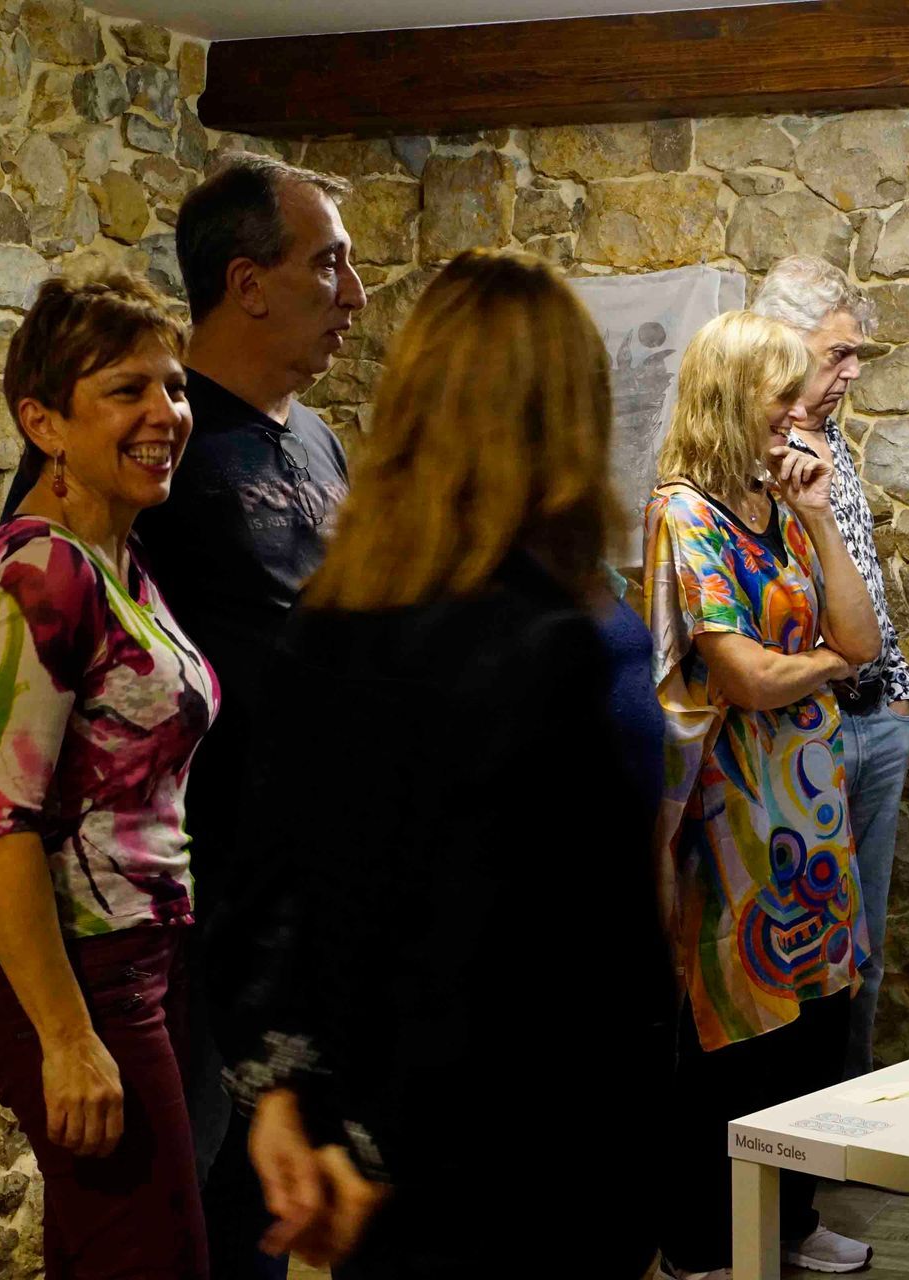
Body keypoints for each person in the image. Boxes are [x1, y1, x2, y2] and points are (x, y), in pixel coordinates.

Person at [0, 150, 363, 1280]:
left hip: (196, 920)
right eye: (330, 263)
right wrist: (58, 1017)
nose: (165, 413)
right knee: (169, 1242)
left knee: (163, 1235)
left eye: (170, 388)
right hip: (113, 943)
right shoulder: (56, 550)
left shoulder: (141, 540)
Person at [217, 251, 671, 1278]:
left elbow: (269, 893)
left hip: (370, 1163)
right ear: (570, 416)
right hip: (526, 1167)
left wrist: (291, 1101)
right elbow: (564, 961)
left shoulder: (324, 623)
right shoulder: (559, 646)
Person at [0, 274, 218, 1277]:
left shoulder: (112, 556)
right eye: (126, 390)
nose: (166, 414)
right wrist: (66, 1037)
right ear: (43, 422)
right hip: (82, 974)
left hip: (138, 955)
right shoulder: (45, 571)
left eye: (175, 386)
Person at [647, 311, 883, 1280]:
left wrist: (820, 515)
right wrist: (824, 663)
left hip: (811, 813)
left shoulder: (783, 505)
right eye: (781, 393)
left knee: (816, 1026)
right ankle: (704, 1242)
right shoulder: (684, 513)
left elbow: (863, 637)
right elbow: (742, 677)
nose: (798, 410)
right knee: (735, 1037)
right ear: (728, 397)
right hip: (731, 818)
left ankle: (789, 1221)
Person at [750, 257, 909, 1082]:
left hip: (876, 718)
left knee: (865, 952)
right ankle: (789, 1135)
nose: (852, 372)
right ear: (782, 345)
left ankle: (847, 1123)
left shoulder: (834, 441)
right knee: (798, 955)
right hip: (800, 727)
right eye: (838, 354)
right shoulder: (748, 453)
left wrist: (896, 692)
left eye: (856, 355)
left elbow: (863, 577)